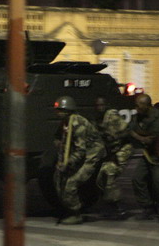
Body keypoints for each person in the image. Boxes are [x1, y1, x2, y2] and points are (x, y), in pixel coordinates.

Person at [53, 96, 106, 225]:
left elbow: (80, 150)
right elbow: (60, 140)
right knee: (58, 179)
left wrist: (68, 163)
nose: (57, 112)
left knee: (71, 182)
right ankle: (68, 207)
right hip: (80, 154)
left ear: (67, 111)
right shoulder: (66, 122)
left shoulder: (78, 123)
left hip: (92, 155)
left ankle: (75, 213)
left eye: (60, 110)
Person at [130, 94, 159, 221]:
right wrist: (141, 138)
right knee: (137, 179)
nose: (136, 108)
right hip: (148, 154)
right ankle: (147, 208)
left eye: (138, 105)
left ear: (147, 105)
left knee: (157, 182)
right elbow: (130, 130)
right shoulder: (138, 117)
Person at [93, 96, 133, 219]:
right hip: (111, 151)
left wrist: (116, 139)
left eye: (102, 105)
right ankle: (110, 203)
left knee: (109, 173)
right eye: (97, 105)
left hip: (122, 150)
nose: (100, 108)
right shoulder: (97, 119)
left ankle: (119, 207)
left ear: (106, 105)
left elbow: (127, 131)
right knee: (101, 177)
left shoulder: (112, 116)